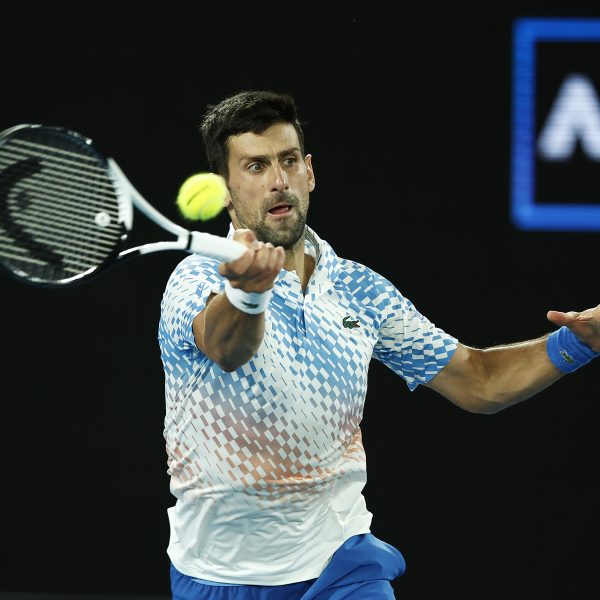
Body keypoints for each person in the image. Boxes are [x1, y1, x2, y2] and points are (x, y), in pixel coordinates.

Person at [157, 90, 600, 600]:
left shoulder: (359, 290)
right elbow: (225, 347)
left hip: (342, 565)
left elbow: (478, 381)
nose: (279, 181)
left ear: (309, 172)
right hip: (220, 575)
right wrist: (246, 294)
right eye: (256, 166)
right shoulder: (196, 279)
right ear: (225, 190)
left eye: (289, 161)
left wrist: (578, 344)